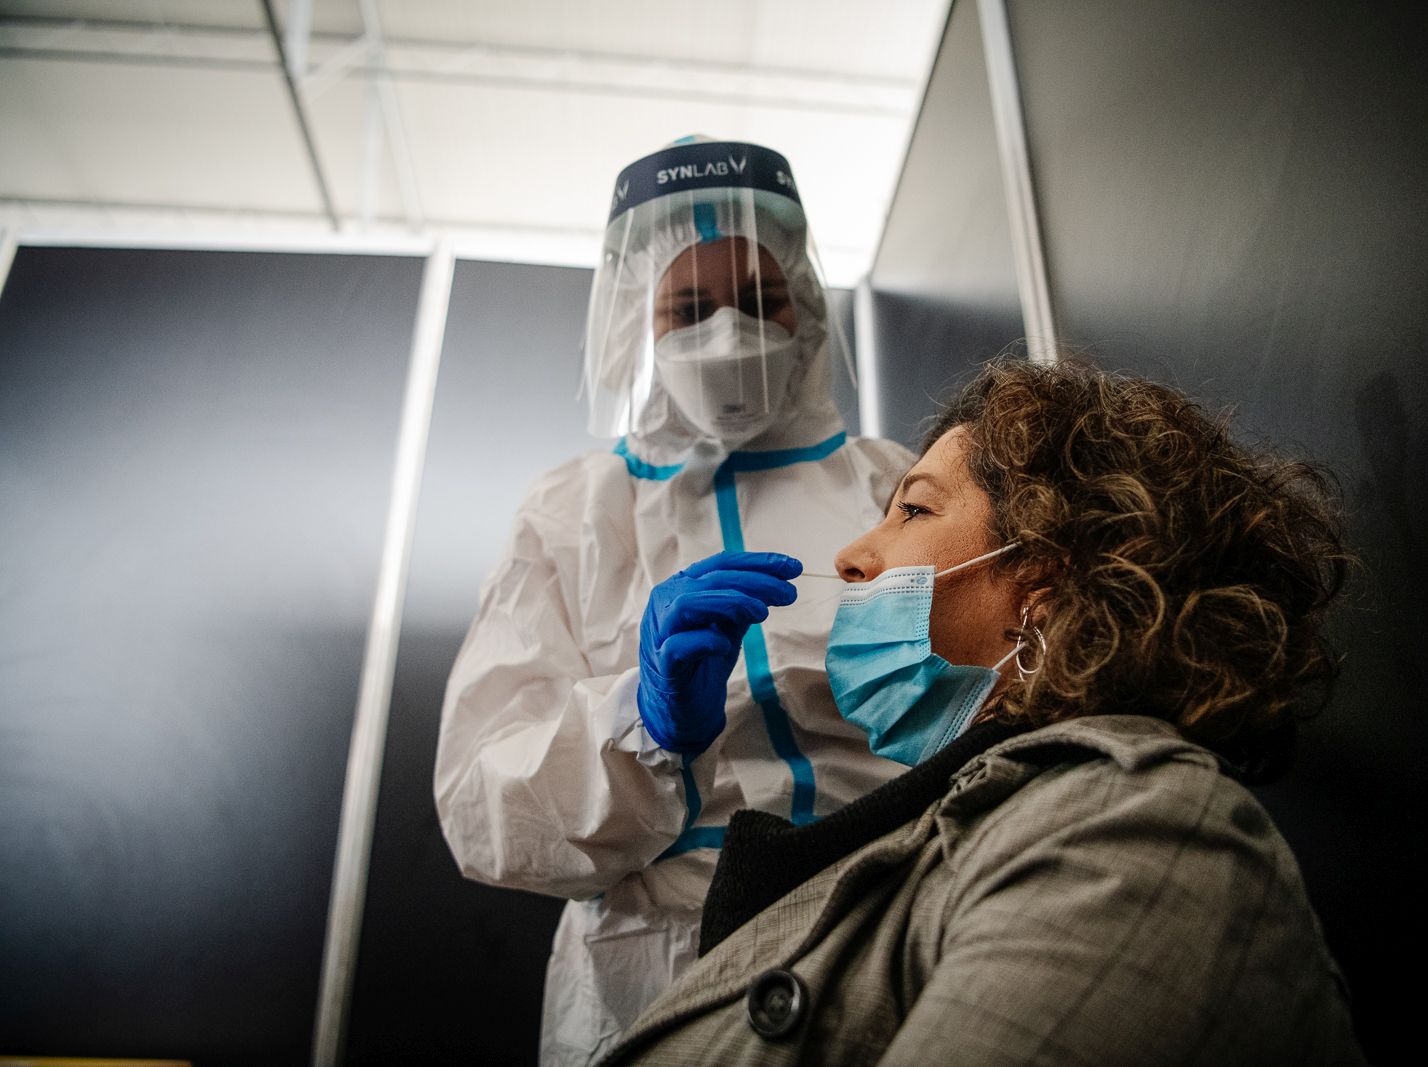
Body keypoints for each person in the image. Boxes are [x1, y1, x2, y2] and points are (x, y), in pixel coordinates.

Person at [599, 357, 1366, 1065]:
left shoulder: (1136, 823)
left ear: (1044, 590)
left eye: (913, 510)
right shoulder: (989, 825)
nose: (852, 555)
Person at [433, 137, 914, 1065]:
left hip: (885, 919)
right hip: (651, 969)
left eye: (758, 302)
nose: (729, 336)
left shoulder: (895, 484)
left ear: (805, 308)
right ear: (634, 326)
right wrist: (642, 724)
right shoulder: (573, 511)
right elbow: (480, 807)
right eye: (688, 308)